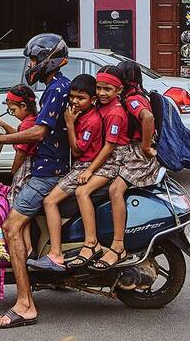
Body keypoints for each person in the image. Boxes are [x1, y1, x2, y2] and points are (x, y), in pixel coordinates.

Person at [0, 33, 71, 330]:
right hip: (47, 167)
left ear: (46, 60)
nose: (30, 65)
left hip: (47, 172)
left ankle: (25, 305)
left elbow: (38, 133)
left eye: (33, 59)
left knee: (11, 226)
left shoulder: (57, 89)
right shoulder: (57, 87)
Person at [28, 73, 103, 271]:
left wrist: (69, 123)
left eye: (81, 98)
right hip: (79, 165)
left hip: (84, 166)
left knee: (49, 201)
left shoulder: (90, 121)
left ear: (93, 100)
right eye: (72, 97)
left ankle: (55, 255)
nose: (75, 102)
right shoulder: (83, 114)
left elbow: (77, 150)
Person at [92, 58, 159, 269]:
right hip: (133, 151)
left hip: (140, 155)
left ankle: (118, 246)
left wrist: (146, 147)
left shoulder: (132, 99)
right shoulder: (136, 94)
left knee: (115, 190)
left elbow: (147, 118)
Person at [69, 66, 130, 269]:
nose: (102, 93)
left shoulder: (115, 114)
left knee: (82, 191)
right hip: (103, 157)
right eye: (99, 88)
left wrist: (89, 170)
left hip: (114, 159)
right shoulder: (102, 107)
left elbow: (109, 147)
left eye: (108, 90)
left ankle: (94, 243)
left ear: (119, 90)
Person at [0, 84, 38, 256]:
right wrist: (1, 124)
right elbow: (16, 135)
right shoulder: (29, 122)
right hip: (28, 163)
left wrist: (13, 171)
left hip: (25, 165)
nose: (12, 113)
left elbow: (21, 152)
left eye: (13, 110)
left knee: (18, 208)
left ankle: (27, 248)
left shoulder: (29, 124)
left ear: (24, 106)